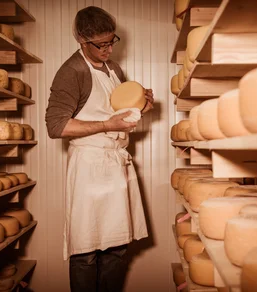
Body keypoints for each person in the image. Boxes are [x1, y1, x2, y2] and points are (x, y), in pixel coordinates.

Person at [45, 6, 153, 292]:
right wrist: (106, 125)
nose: (108, 49)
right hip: (89, 166)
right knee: (86, 251)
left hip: (116, 164)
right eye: (100, 44)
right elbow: (56, 127)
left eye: (111, 41)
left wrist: (141, 105)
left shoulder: (113, 69)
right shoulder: (72, 72)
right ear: (81, 39)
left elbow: (120, 115)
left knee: (117, 246)